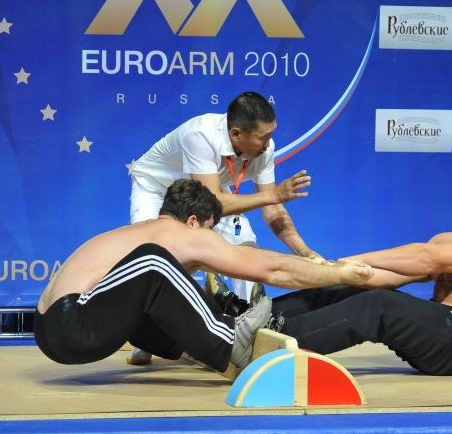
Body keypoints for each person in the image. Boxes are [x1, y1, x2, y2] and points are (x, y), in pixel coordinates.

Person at [34, 180, 373, 375]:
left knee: (165, 277)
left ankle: (196, 341)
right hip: (73, 324)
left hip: (51, 328)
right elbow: (271, 268)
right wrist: (336, 273)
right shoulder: (176, 235)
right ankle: (229, 337)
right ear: (194, 221)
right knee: (155, 261)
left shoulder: (136, 232)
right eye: (212, 230)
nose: (211, 240)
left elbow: (124, 299)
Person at [126, 91, 323, 364]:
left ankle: (245, 332)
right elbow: (214, 200)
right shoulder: (200, 135)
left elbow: (272, 208)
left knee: (245, 248)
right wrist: (274, 195)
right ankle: (146, 337)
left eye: (271, 134)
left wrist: (305, 252)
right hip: (157, 189)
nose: (269, 143)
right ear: (236, 134)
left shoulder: (264, 148)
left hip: (210, 192)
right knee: (152, 257)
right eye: (263, 137)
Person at [266, 174, 452, 376]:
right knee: (351, 290)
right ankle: (261, 318)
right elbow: (393, 276)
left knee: (379, 304)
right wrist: (340, 273)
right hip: (441, 332)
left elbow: (425, 259)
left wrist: (360, 259)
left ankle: (274, 345)